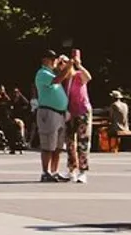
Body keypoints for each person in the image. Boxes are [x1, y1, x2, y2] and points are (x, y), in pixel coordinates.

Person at [34, 50, 69, 182]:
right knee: (48, 145)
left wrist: (63, 67)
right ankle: (45, 171)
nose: (55, 61)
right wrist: (69, 65)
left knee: (58, 146)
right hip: (48, 112)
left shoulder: (51, 73)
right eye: (53, 59)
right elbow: (58, 79)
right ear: (46, 60)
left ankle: (54, 171)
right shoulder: (42, 73)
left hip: (59, 113)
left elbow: (59, 76)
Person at [62, 51, 92, 183]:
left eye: (64, 62)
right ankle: (71, 169)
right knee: (69, 142)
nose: (62, 66)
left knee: (83, 142)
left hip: (82, 111)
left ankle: (83, 171)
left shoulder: (78, 75)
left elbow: (88, 77)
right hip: (70, 112)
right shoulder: (63, 80)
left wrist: (79, 66)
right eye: (60, 64)